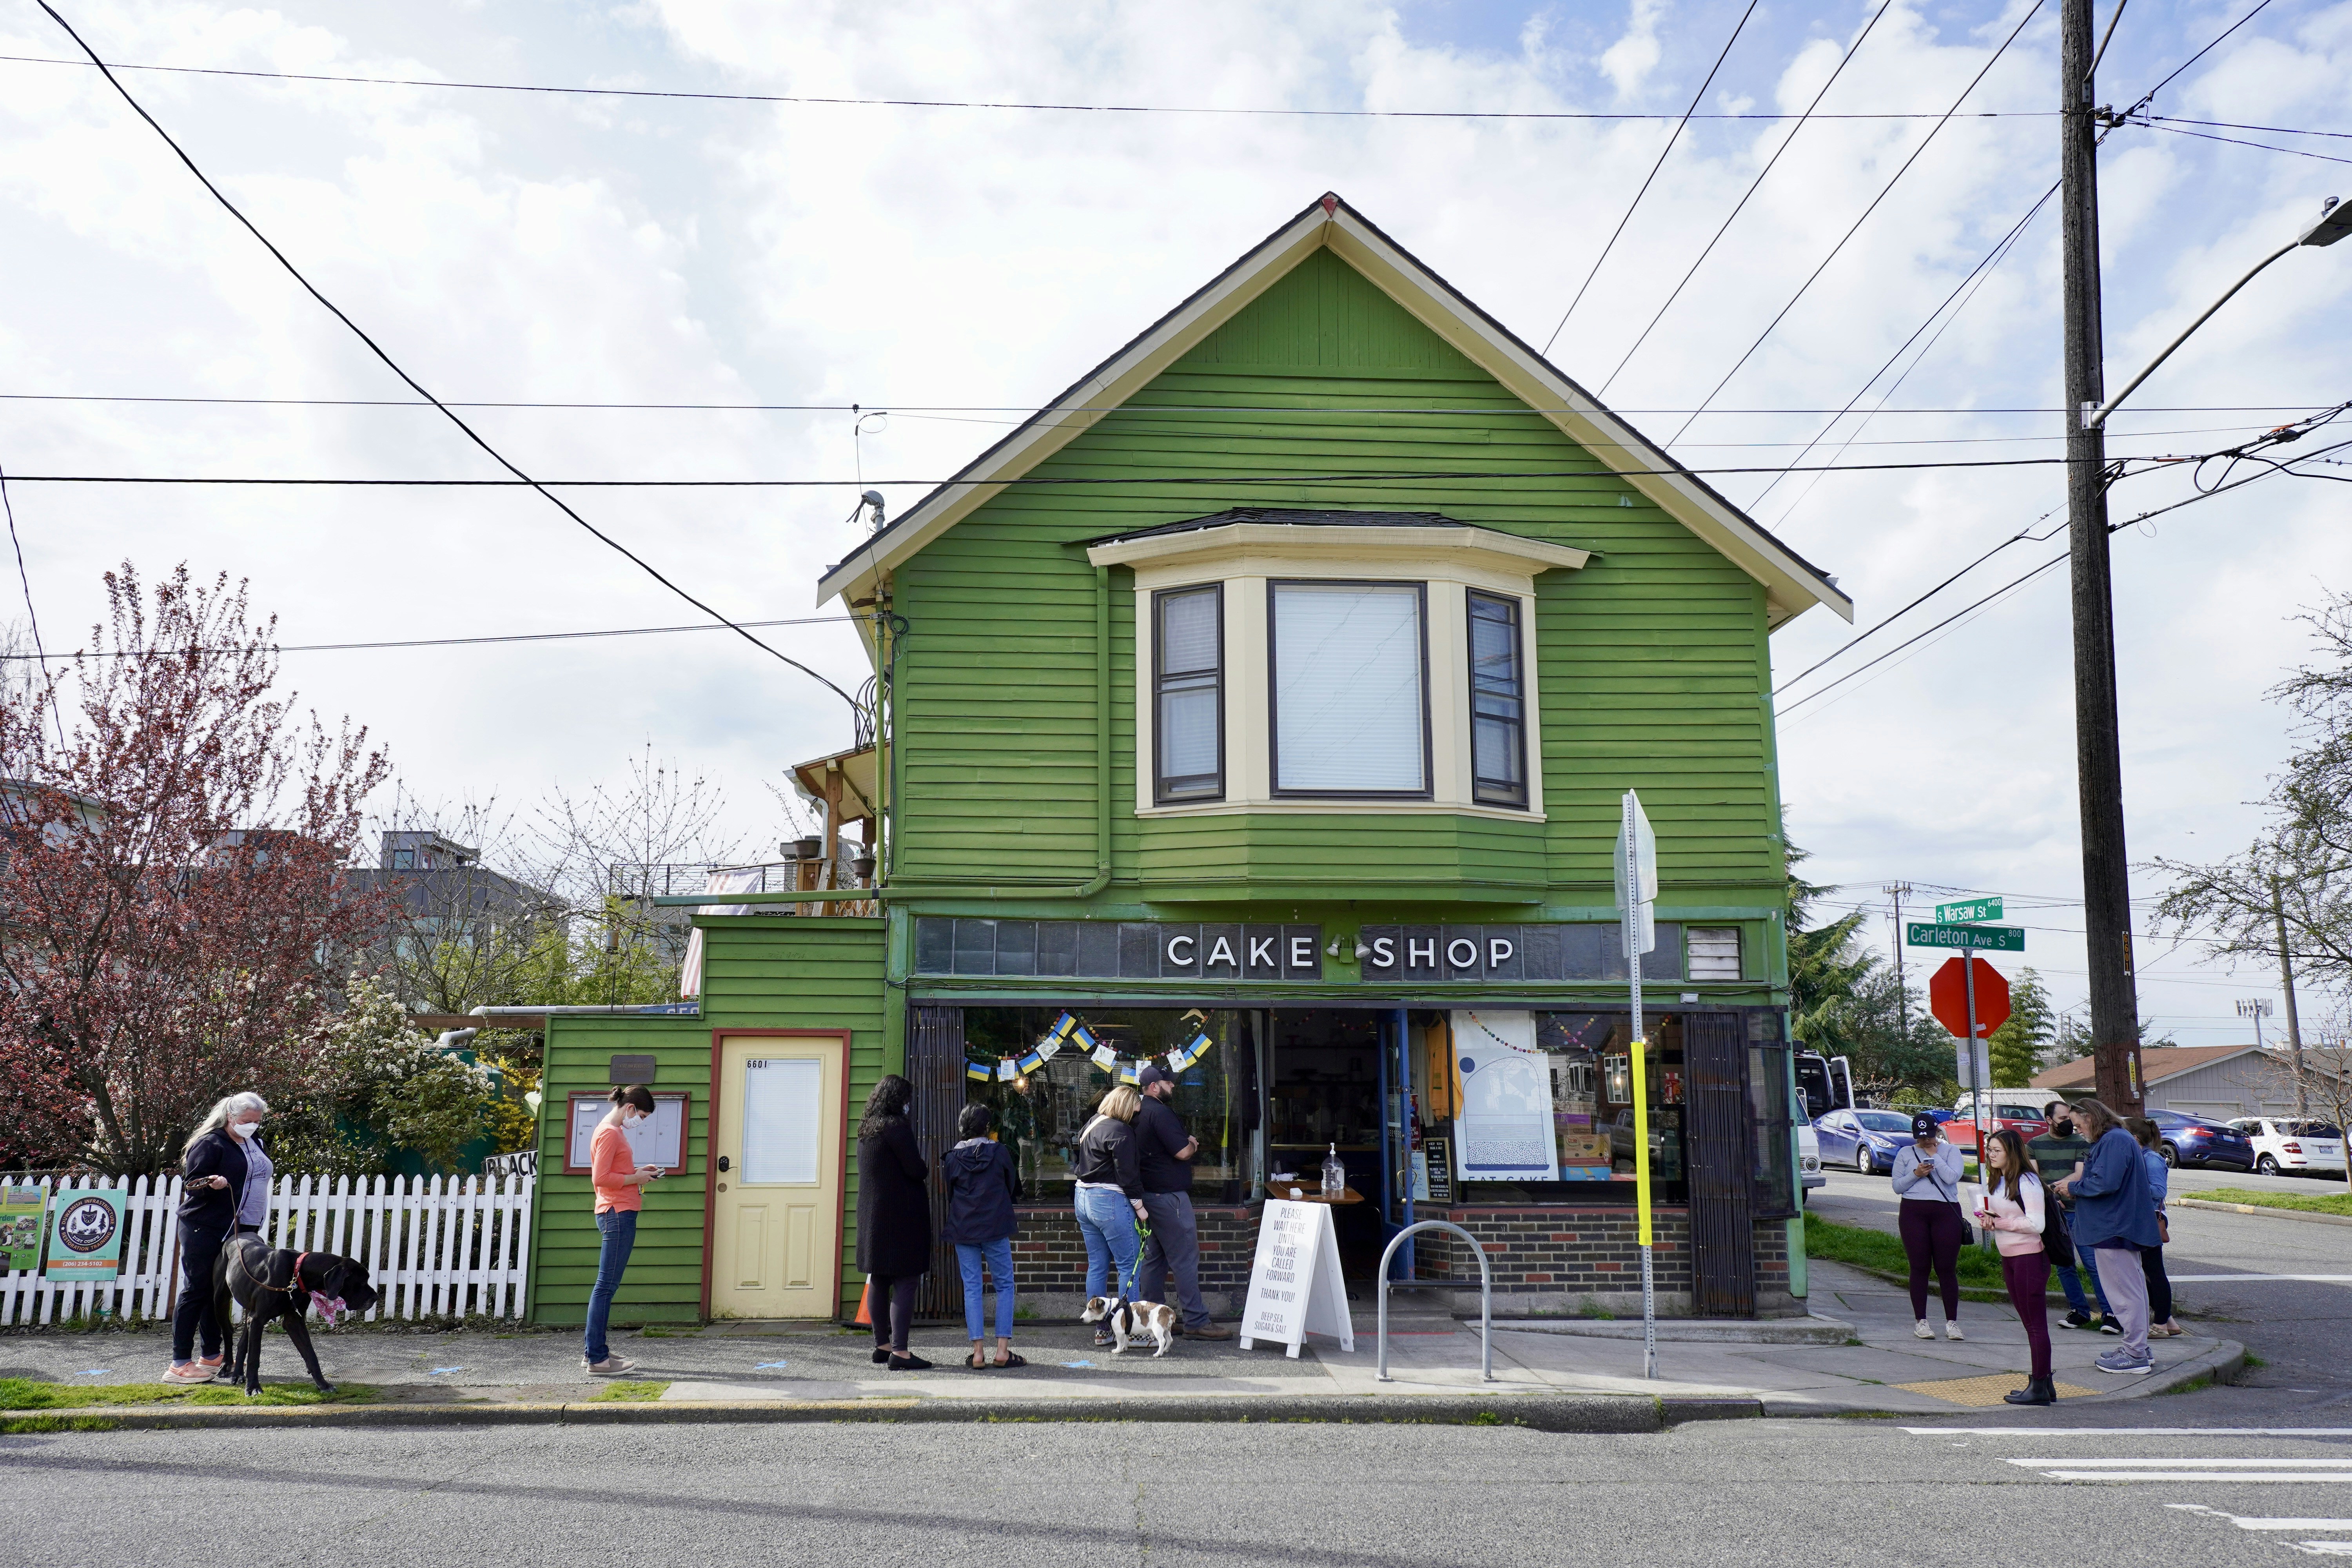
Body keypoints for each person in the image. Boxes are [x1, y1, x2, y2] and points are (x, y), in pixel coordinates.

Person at [164, 1092, 267, 1384]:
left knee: (218, 1291)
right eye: (247, 1121)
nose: (253, 1126)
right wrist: (212, 1183)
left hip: (243, 1226)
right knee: (196, 1289)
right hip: (205, 1225)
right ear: (230, 1117)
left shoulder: (255, 1142)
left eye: (257, 1122)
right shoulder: (210, 1143)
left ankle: (211, 1356)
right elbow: (192, 1186)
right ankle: (179, 1364)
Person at [2054, 1098, 2162, 1375]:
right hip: (2118, 1226)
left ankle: (2135, 1353)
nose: (2077, 1130)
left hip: (2114, 1227)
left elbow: (2106, 1182)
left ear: (2091, 1118)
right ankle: (2137, 1348)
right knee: (2132, 1289)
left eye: (2079, 1125)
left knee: (2124, 1293)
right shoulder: (2119, 1138)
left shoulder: (2113, 1141)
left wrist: (2073, 1187)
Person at [1133, 1063, 1233, 1341]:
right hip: (1170, 1199)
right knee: (1185, 1259)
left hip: (1149, 1196)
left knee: (1155, 1260)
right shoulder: (1161, 1113)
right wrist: (1192, 1144)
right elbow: (1181, 1153)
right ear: (1155, 1086)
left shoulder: (1138, 1112)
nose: (1173, 1086)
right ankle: (1196, 1321)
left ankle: (1153, 1319)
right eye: (1169, 1083)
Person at [584, 1084, 665, 1376]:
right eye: (641, 1116)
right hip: (617, 1213)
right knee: (605, 1288)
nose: (640, 1122)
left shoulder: (611, 1131)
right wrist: (636, 1178)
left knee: (605, 1287)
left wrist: (640, 1174)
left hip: (616, 1211)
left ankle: (595, 1352)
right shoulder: (610, 1132)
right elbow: (601, 1177)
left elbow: (614, 1173)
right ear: (630, 1108)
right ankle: (598, 1360)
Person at [855, 1074, 932, 1370]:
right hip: (899, 1215)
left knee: (879, 1278)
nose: (908, 1106)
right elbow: (916, 1169)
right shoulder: (896, 1127)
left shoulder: (866, 1129)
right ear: (898, 1100)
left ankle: (882, 1345)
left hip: (872, 1215)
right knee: (906, 1279)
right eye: (906, 1100)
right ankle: (900, 1352)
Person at [1975, 1127, 2055, 1406]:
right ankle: (2045, 1383)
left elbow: (2037, 1225)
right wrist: (1987, 1218)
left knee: (2035, 1325)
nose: (1991, 1155)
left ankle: (2040, 1387)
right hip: (2009, 1256)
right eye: (1990, 1150)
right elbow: (2003, 1215)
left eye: (1997, 1150)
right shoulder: (1997, 1179)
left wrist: (1999, 1223)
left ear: (2012, 1152)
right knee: (2028, 1323)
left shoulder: (2028, 1181)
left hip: (2030, 1257)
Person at [940, 1102, 1024, 1370]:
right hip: (996, 1225)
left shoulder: (952, 1159)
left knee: (973, 1287)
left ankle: (977, 1354)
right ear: (986, 1128)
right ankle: (1002, 1351)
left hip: (964, 1227)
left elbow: (950, 1194)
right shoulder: (1000, 1153)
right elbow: (1012, 1185)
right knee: (1005, 1286)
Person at [1072, 1083, 1149, 1348]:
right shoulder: (1122, 1132)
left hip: (1082, 1197)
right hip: (1110, 1200)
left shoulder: (1093, 1123)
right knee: (1130, 1266)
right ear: (1128, 1108)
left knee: (1097, 1265)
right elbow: (1127, 1174)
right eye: (1138, 1106)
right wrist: (1140, 1207)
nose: (1140, 1111)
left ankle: (1102, 1330)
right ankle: (1131, 1331)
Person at [2032, 1099, 2115, 1332]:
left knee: (2092, 1263)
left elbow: (2080, 1174)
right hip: (2055, 1214)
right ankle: (2080, 1311)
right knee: (2064, 1265)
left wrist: (2057, 1189)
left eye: (2071, 1118)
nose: (2069, 1123)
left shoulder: (2082, 1142)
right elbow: (2034, 1178)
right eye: (2063, 1119)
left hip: (2080, 1212)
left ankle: (2110, 1313)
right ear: (2048, 1121)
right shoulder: (2035, 1145)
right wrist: (2052, 1198)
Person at [1891, 1111, 1967, 1340]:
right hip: (1914, 1212)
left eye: (1930, 1135)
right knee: (1920, 1267)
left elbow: (1953, 1177)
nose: (1926, 1141)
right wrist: (1916, 1173)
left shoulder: (1951, 1151)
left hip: (1946, 1211)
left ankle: (1952, 1323)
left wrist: (1936, 1157)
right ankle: (1921, 1322)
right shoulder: (1905, 1153)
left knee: (1946, 1268)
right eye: (1921, 1137)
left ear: (1937, 1132)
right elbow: (1897, 1186)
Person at [2127, 1116, 2184, 1339]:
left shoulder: (2151, 1159)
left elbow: (2159, 1191)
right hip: (2142, 1218)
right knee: (2145, 1272)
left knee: (2154, 1272)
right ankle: (2168, 1320)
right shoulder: (2140, 1157)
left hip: (2151, 1218)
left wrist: (2130, 1185)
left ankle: (2161, 1323)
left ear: (2134, 1138)